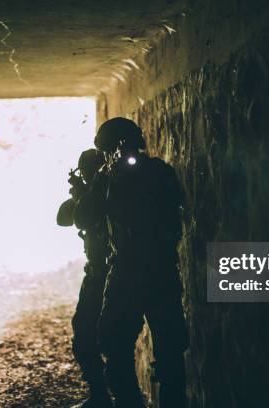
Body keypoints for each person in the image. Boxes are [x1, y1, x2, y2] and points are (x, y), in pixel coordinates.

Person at [95, 118, 189, 408]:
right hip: (154, 271)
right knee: (133, 348)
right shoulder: (149, 172)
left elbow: (173, 215)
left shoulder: (149, 173)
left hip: (136, 272)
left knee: (125, 347)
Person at [57, 149, 113, 408]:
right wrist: (79, 192)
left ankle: (109, 396)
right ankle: (104, 395)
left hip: (107, 273)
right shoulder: (93, 191)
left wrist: (83, 192)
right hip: (99, 272)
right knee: (88, 335)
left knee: (100, 337)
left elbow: (82, 217)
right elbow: (63, 219)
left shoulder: (107, 188)